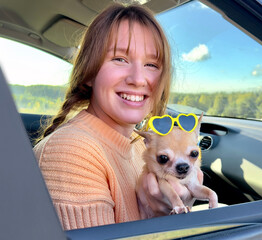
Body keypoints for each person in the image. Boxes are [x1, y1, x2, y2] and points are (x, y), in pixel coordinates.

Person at [33, 3, 197, 230]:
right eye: (120, 59)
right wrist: (162, 219)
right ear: (90, 73)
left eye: (151, 64)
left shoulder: (143, 145)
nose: (139, 79)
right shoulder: (70, 152)